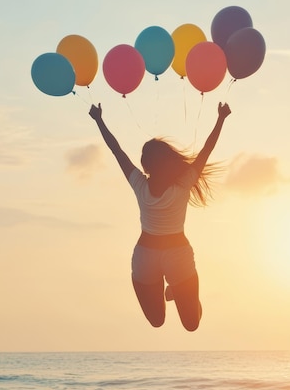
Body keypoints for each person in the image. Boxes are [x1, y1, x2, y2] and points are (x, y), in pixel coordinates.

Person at [88, 102, 231, 331]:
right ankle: (176, 286)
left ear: (146, 165)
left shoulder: (141, 183)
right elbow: (206, 150)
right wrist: (221, 118)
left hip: (154, 256)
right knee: (170, 323)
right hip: (166, 256)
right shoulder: (182, 183)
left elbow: (118, 151)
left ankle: (175, 287)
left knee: (180, 324)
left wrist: (99, 120)